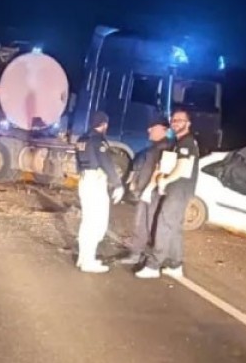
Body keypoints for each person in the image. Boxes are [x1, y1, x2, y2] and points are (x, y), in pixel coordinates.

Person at [135, 109, 200, 279]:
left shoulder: (187, 142)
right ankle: (175, 264)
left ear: (188, 124)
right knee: (174, 227)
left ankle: (154, 265)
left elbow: (181, 167)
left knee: (164, 225)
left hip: (179, 191)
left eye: (180, 120)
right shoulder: (179, 142)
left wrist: (165, 180)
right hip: (178, 190)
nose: (176, 122)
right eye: (174, 120)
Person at [117, 119, 174, 265]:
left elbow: (161, 170)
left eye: (152, 128)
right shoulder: (155, 147)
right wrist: (135, 181)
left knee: (145, 223)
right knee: (142, 222)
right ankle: (139, 252)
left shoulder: (166, 147)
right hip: (146, 191)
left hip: (152, 193)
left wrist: (148, 189)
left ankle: (141, 255)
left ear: (163, 129)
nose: (149, 130)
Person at [74, 110, 125, 273]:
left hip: (84, 180)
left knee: (87, 220)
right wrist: (118, 184)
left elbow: (77, 162)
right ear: (104, 125)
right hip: (95, 182)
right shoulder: (98, 141)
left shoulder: (82, 139)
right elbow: (106, 163)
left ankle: (83, 258)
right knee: (97, 221)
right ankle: (88, 261)